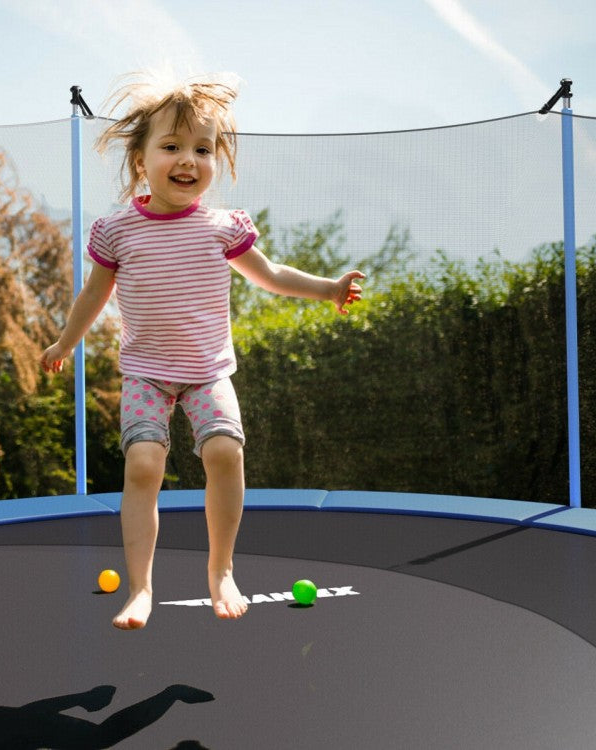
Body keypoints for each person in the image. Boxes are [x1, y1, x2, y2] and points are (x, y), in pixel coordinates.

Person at [40, 73, 365, 630]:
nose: (187, 159)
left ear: (217, 159)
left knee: (225, 454)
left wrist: (329, 287)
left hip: (207, 372)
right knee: (143, 464)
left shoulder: (221, 228)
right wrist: (66, 341)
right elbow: (94, 294)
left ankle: (221, 569)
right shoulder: (118, 230)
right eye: (170, 147)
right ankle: (140, 587)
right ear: (140, 159)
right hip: (146, 372)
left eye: (202, 148)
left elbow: (272, 276)